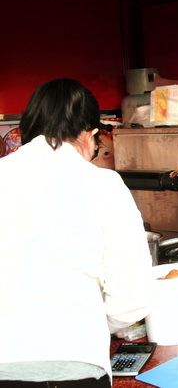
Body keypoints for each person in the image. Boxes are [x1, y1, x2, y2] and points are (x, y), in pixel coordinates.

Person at [0, 79, 153, 387]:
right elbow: (131, 299)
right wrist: (90, 322)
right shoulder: (102, 184)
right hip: (73, 366)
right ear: (90, 135)